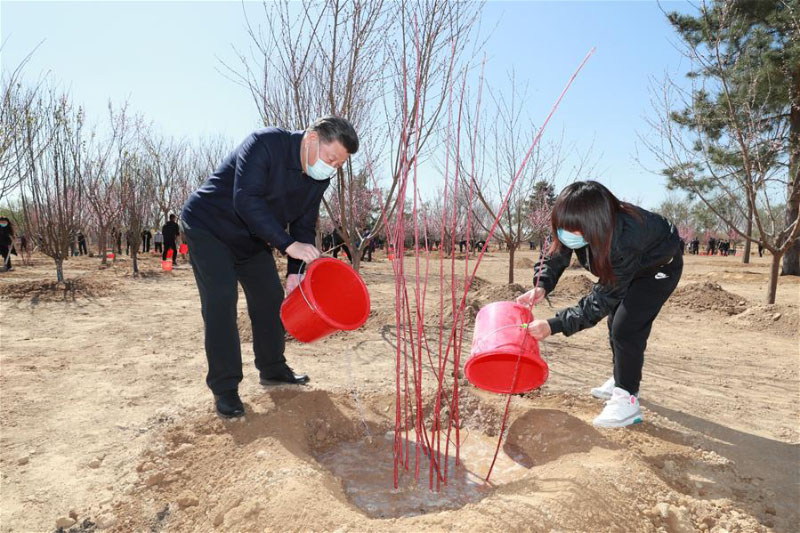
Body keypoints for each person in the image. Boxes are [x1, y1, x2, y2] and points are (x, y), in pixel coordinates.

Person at [181, 116, 359, 418]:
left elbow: (303, 224)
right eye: (330, 159)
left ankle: (273, 369)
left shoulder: (319, 179)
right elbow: (245, 200)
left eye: (338, 165)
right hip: (209, 227)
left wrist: (294, 272)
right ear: (312, 139)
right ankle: (225, 389)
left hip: (252, 239)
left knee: (270, 300)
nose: (331, 168)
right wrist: (287, 245)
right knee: (221, 299)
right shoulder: (264, 144)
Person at [516, 181, 682, 428]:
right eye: (561, 227)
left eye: (574, 231)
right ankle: (620, 379)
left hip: (658, 269)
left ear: (595, 226)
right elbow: (555, 251)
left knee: (626, 327)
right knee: (616, 322)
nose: (565, 234)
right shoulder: (577, 225)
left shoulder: (623, 239)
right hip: (630, 266)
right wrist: (542, 283)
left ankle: (627, 400)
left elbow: (601, 300)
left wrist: (554, 325)